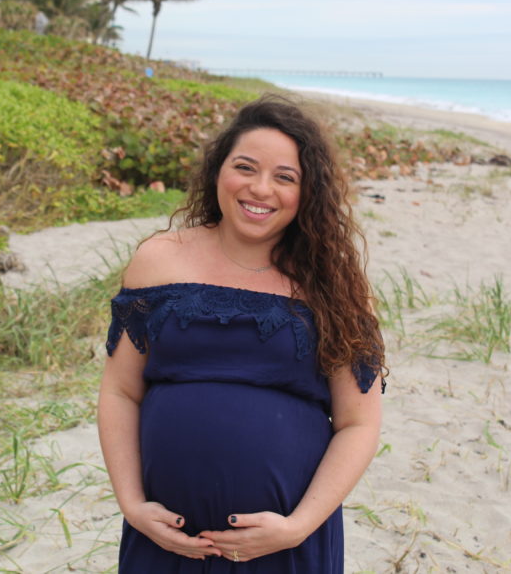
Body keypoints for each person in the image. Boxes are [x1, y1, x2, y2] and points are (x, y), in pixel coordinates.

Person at [97, 94, 385, 572]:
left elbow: (359, 424)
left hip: (284, 545)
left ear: (307, 191)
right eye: (245, 167)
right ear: (218, 172)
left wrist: (298, 526)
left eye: (285, 177)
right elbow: (121, 390)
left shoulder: (334, 285)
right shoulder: (158, 259)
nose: (261, 189)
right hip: (164, 540)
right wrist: (131, 504)